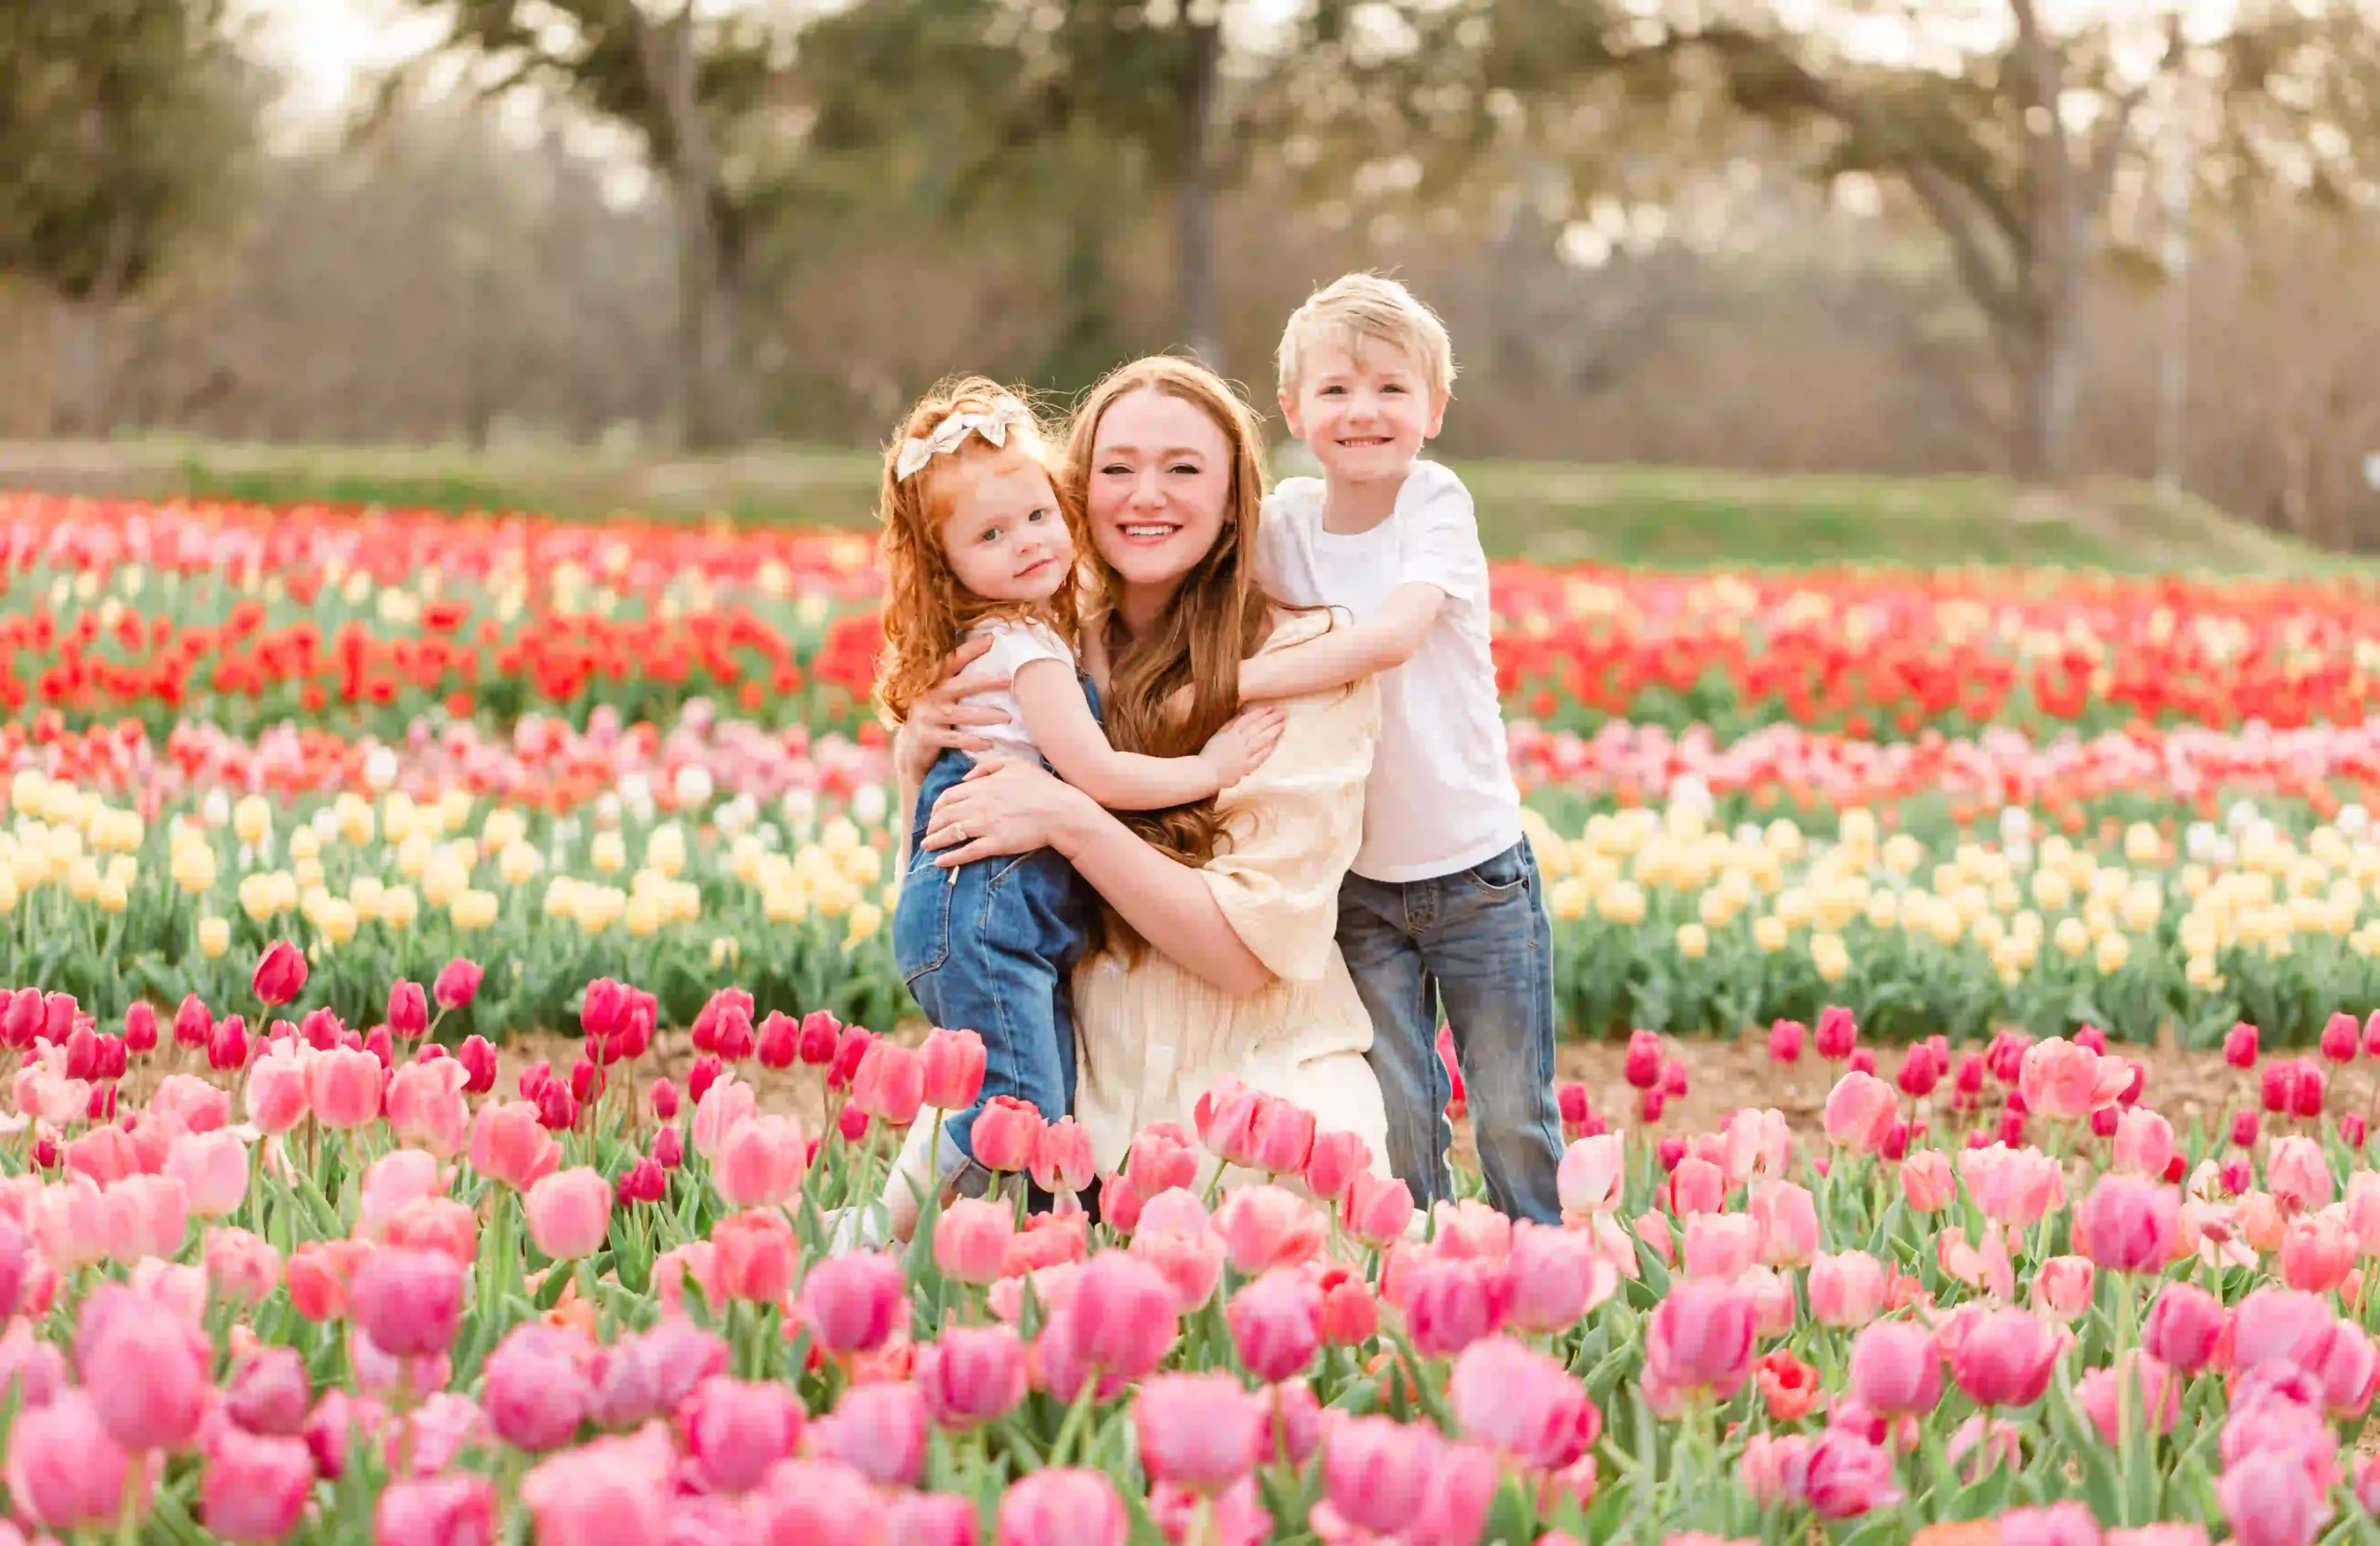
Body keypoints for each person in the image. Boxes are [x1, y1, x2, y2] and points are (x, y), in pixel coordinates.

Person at [888, 355, 1393, 1222]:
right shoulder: (1031, 647)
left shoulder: (1305, 663)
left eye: (1184, 469)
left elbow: (1245, 954)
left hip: (1252, 1084)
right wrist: (913, 766)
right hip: (1070, 1075)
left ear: (1237, 497)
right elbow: (939, 892)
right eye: (1116, 468)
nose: (1145, 495)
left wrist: (1068, 817)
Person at [1220, 272, 1565, 1222]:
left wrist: (1230, 687)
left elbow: (1388, 638)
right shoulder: (1284, 521)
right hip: (1356, 884)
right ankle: (1416, 1275)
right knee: (1395, 1114)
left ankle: (1540, 1268)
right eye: (1334, 389)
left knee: (1509, 1112)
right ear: (1292, 408)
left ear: (1434, 409)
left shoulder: (1433, 504)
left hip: (1477, 872)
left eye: (1390, 389)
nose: (1362, 411)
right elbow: (1195, 591)